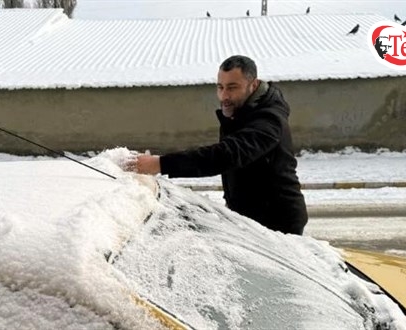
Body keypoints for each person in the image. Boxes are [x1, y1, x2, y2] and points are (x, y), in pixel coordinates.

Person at [127, 55, 308, 235]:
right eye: (220, 87)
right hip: (250, 217)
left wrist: (160, 163)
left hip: (277, 221)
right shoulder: (240, 112)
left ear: (253, 85)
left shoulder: (268, 120)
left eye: (232, 87)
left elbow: (227, 155)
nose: (224, 96)